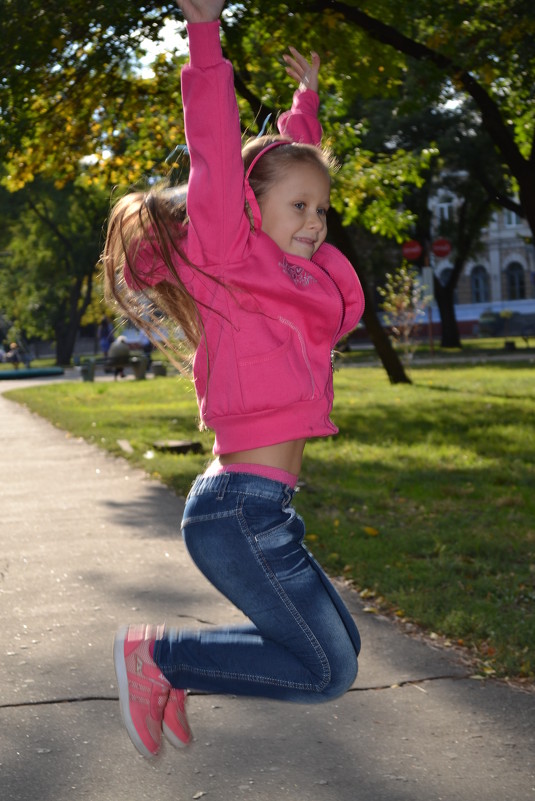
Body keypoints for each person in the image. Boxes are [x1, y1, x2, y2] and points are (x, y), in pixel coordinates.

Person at [103, 0, 365, 759]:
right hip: (237, 512)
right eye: (298, 208)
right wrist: (204, 32)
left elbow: (285, 173)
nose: (315, 221)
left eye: (323, 208)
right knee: (325, 669)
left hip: (262, 510)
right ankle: (162, 658)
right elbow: (220, 155)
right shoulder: (229, 258)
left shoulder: (291, 277)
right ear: (245, 212)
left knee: (336, 649)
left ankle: (174, 669)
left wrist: (304, 112)